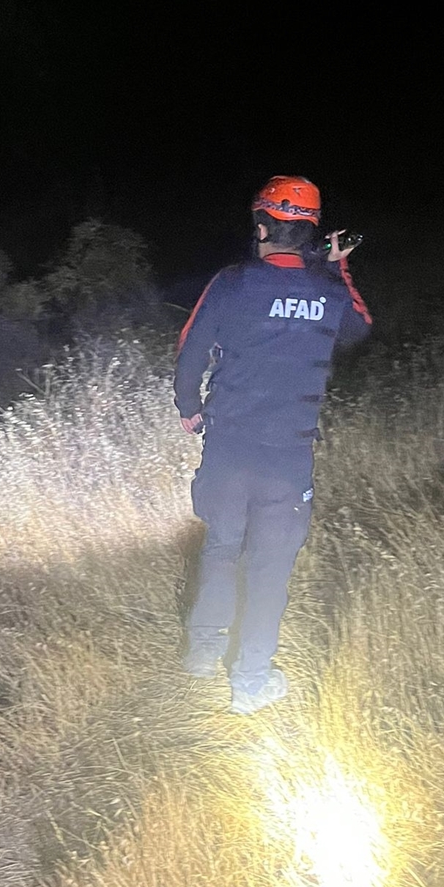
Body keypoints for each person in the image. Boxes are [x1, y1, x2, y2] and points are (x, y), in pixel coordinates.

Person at [174, 175, 372, 715]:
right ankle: (250, 681)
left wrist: (188, 406)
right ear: (310, 232)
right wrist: (335, 267)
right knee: (270, 566)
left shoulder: (232, 282)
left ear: (262, 225)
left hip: (229, 447)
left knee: (221, 546)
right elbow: (357, 330)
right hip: (288, 456)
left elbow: (190, 350)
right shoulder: (328, 289)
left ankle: (202, 653)